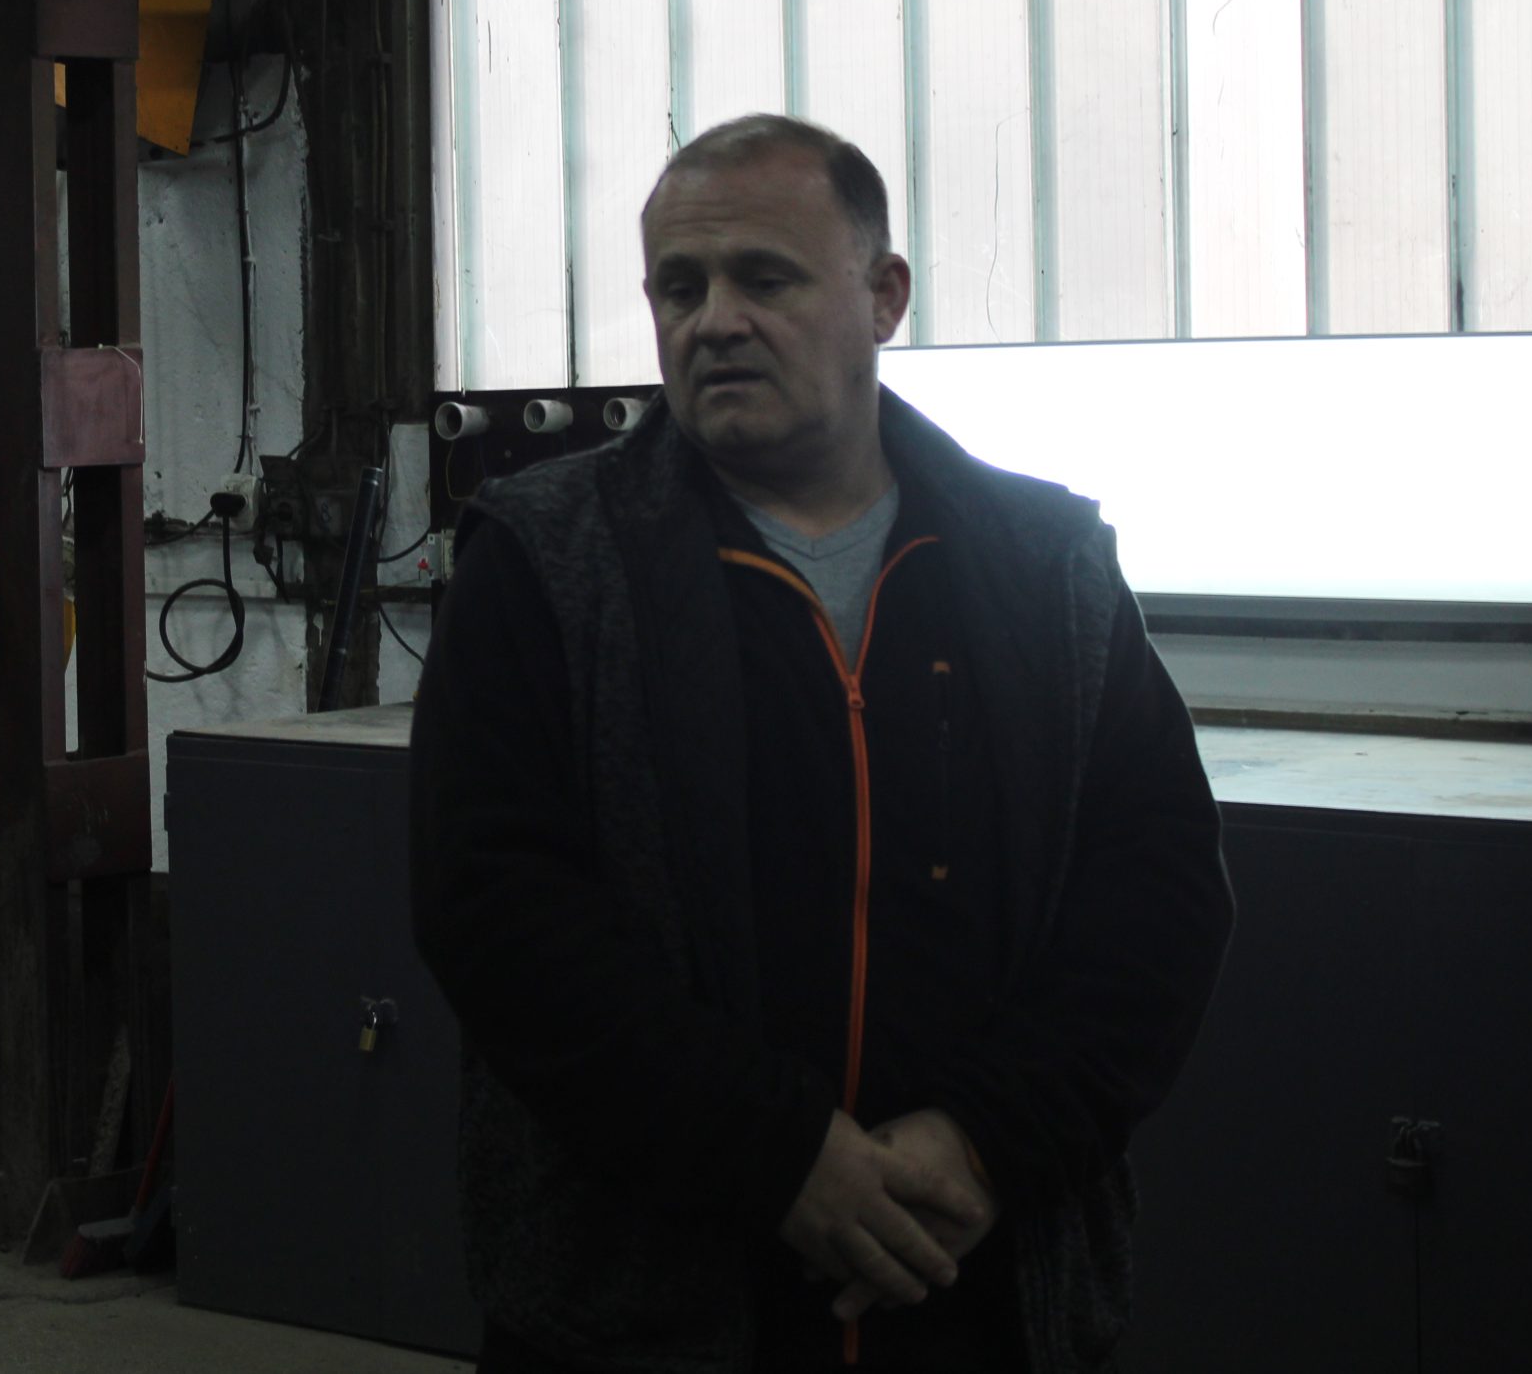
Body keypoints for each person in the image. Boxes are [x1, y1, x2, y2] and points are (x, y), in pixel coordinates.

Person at [410, 114, 1234, 1373]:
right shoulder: (546, 560)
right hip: (645, 1303)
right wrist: (782, 1159)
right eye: (679, 289)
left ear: (883, 294)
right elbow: (499, 914)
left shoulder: (1044, 564)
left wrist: (982, 1143)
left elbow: (1155, 896)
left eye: (765, 278)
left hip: (976, 1280)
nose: (714, 322)